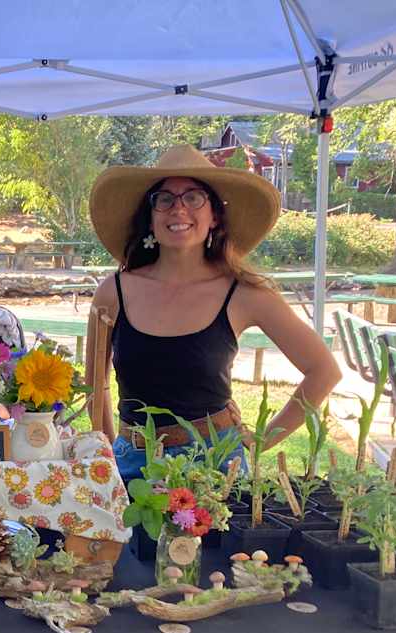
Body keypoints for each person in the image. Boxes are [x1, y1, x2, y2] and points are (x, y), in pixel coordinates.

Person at [83, 144, 340, 481]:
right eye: (164, 199)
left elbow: (323, 370)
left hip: (214, 472)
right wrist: (108, 452)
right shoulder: (112, 292)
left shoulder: (245, 294)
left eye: (193, 197)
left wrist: (260, 441)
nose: (178, 209)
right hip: (131, 469)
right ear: (151, 216)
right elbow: (94, 384)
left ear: (215, 215)